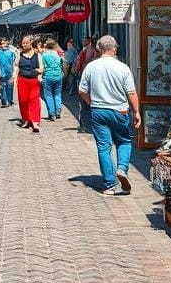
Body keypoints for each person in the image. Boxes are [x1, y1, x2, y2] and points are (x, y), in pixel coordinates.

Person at [78, 35, 141, 195]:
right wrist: (136, 112)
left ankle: (110, 184)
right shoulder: (122, 68)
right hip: (120, 110)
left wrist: (92, 103)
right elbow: (131, 92)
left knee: (104, 147)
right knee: (124, 141)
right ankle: (122, 168)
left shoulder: (91, 67)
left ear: (99, 49)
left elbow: (82, 90)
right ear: (114, 49)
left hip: (99, 111)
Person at [13, 35, 44, 133]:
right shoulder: (19, 54)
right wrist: (14, 79)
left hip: (34, 81)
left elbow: (41, 68)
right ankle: (26, 120)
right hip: (22, 80)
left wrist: (39, 74)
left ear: (31, 43)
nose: (24, 45)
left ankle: (35, 122)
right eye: (23, 43)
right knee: (23, 101)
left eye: (26, 43)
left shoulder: (37, 55)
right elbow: (16, 67)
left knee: (34, 100)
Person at [74, 36, 97, 132]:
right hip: (95, 77)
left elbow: (79, 63)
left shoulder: (85, 49)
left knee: (84, 101)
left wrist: (76, 71)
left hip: (86, 75)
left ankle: (84, 124)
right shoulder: (97, 50)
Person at [40, 39, 65, 121]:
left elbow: (43, 66)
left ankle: (52, 113)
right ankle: (58, 111)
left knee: (48, 95)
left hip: (48, 76)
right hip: (58, 75)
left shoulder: (44, 54)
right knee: (58, 94)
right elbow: (62, 64)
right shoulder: (58, 53)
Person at [0, 38, 15, 108]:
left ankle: (10, 100)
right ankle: (5, 102)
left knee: (9, 87)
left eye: (4, 43)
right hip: (1, 73)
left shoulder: (11, 52)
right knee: (3, 88)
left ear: (7, 43)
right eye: (1, 43)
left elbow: (14, 63)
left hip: (9, 72)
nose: (2, 45)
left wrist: (14, 73)